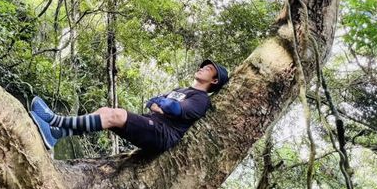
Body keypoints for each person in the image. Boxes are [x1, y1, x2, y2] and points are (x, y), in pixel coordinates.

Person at [30, 59, 229, 153]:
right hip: (152, 121)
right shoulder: (182, 90)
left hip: (162, 134)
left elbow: (174, 109)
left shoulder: (201, 99)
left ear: (214, 80)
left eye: (208, 69)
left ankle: (55, 120)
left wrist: (164, 105)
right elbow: (153, 102)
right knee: (105, 112)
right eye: (204, 66)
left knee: (117, 115)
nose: (202, 68)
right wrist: (161, 104)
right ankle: (56, 133)